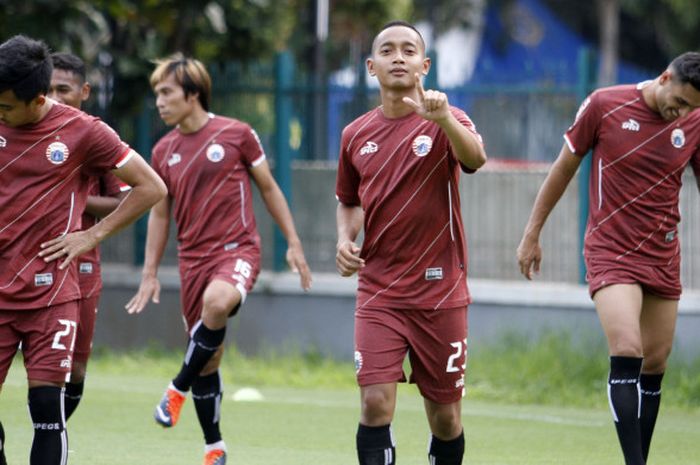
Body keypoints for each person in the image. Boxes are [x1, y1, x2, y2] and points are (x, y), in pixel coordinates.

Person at [125, 54, 312, 465]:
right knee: (208, 360)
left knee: (216, 303)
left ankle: (175, 388)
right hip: (192, 261)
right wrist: (150, 272)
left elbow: (269, 189)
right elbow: (159, 212)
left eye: (167, 92)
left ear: (192, 93)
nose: (159, 101)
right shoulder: (162, 150)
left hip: (237, 250)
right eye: (157, 93)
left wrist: (293, 243)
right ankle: (215, 448)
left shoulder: (237, 134)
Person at [517, 52, 700, 465]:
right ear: (665, 76)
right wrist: (532, 233)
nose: (683, 112)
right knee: (628, 348)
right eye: (681, 101)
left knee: (656, 361)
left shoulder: (694, 123)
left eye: (692, 108)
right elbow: (563, 168)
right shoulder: (604, 105)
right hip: (611, 250)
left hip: (663, 254)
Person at [0, 35, 166, 465]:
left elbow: (152, 187)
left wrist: (91, 236)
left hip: (51, 293)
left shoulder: (84, 131)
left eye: (5, 108)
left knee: (46, 413)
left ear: (36, 100)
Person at [335, 21, 487, 465]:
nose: (397, 57)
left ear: (425, 64)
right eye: (387, 50)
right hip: (379, 291)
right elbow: (348, 200)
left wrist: (441, 119)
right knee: (375, 404)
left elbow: (476, 158)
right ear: (371, 66)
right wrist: (345, 238)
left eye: (408, 50)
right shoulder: (354, 135)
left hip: (441, 294)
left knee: (445, 419)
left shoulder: (448, 117)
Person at [48, 51, 131, 421]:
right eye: (47, 88)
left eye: (63, 89)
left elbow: (123, 201)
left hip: (81, 266)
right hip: (25, 266)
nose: (54, 97)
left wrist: (76, 198)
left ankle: (54, 435)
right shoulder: (21, 131)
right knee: (42, 374)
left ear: (83, 91)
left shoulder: (96, 137)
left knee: (74, 370)